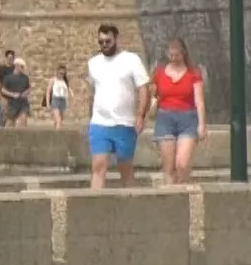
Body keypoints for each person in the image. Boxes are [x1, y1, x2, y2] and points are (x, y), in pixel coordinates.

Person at [86, 24, 151, 190]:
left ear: (116, 39)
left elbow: (143, 88)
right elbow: (93, 91)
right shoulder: (93, 63)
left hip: (125, 123)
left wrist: (141, 115)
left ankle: (130, 204)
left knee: (125, 167)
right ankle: (95, 205)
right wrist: (90, 116)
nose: (104, 45)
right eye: (101, 42)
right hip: (100, 122)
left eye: (107, 41)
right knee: (98, 166)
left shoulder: (131, 60)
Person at [149, 38, 208, 185]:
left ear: (183, 54)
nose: (174, 58)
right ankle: (171, 196)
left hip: (187, 119)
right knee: (168, 168)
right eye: (171, 55)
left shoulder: (193, 74)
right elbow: (153, 96)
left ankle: (184, 189)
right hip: (165, 118)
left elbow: (199, 102)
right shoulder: (160, 74)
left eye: (177, 55)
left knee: (182, 164)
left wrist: (202, 125)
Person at [0, 57, 32, 127]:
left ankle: (23, 136)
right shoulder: (8, 77)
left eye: (23, 67)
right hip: (12, 103)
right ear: (16, 66)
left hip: (23, 103)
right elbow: (3, 90)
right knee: (10, 123)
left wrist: (25, 93)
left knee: (23, 119)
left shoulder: (25, 77)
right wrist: (12, 94)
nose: (23, 68)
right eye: (22, 67)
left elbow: (28, 88)